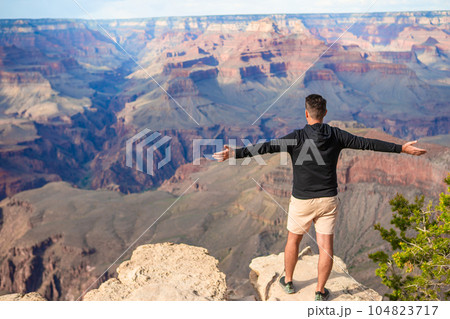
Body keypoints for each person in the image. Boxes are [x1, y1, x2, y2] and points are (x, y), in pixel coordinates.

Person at [212, 94, 427, 301]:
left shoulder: (296, 137)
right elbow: (367, 143)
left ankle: (287, 282)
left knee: (293, 241)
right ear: (325, 113)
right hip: (328, 200)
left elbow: (265, 147)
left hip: (301, 201)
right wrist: (402, 149)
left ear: (306, 114)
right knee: (326, 247)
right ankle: (319, 290)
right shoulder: (336, 135)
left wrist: (234, 153)